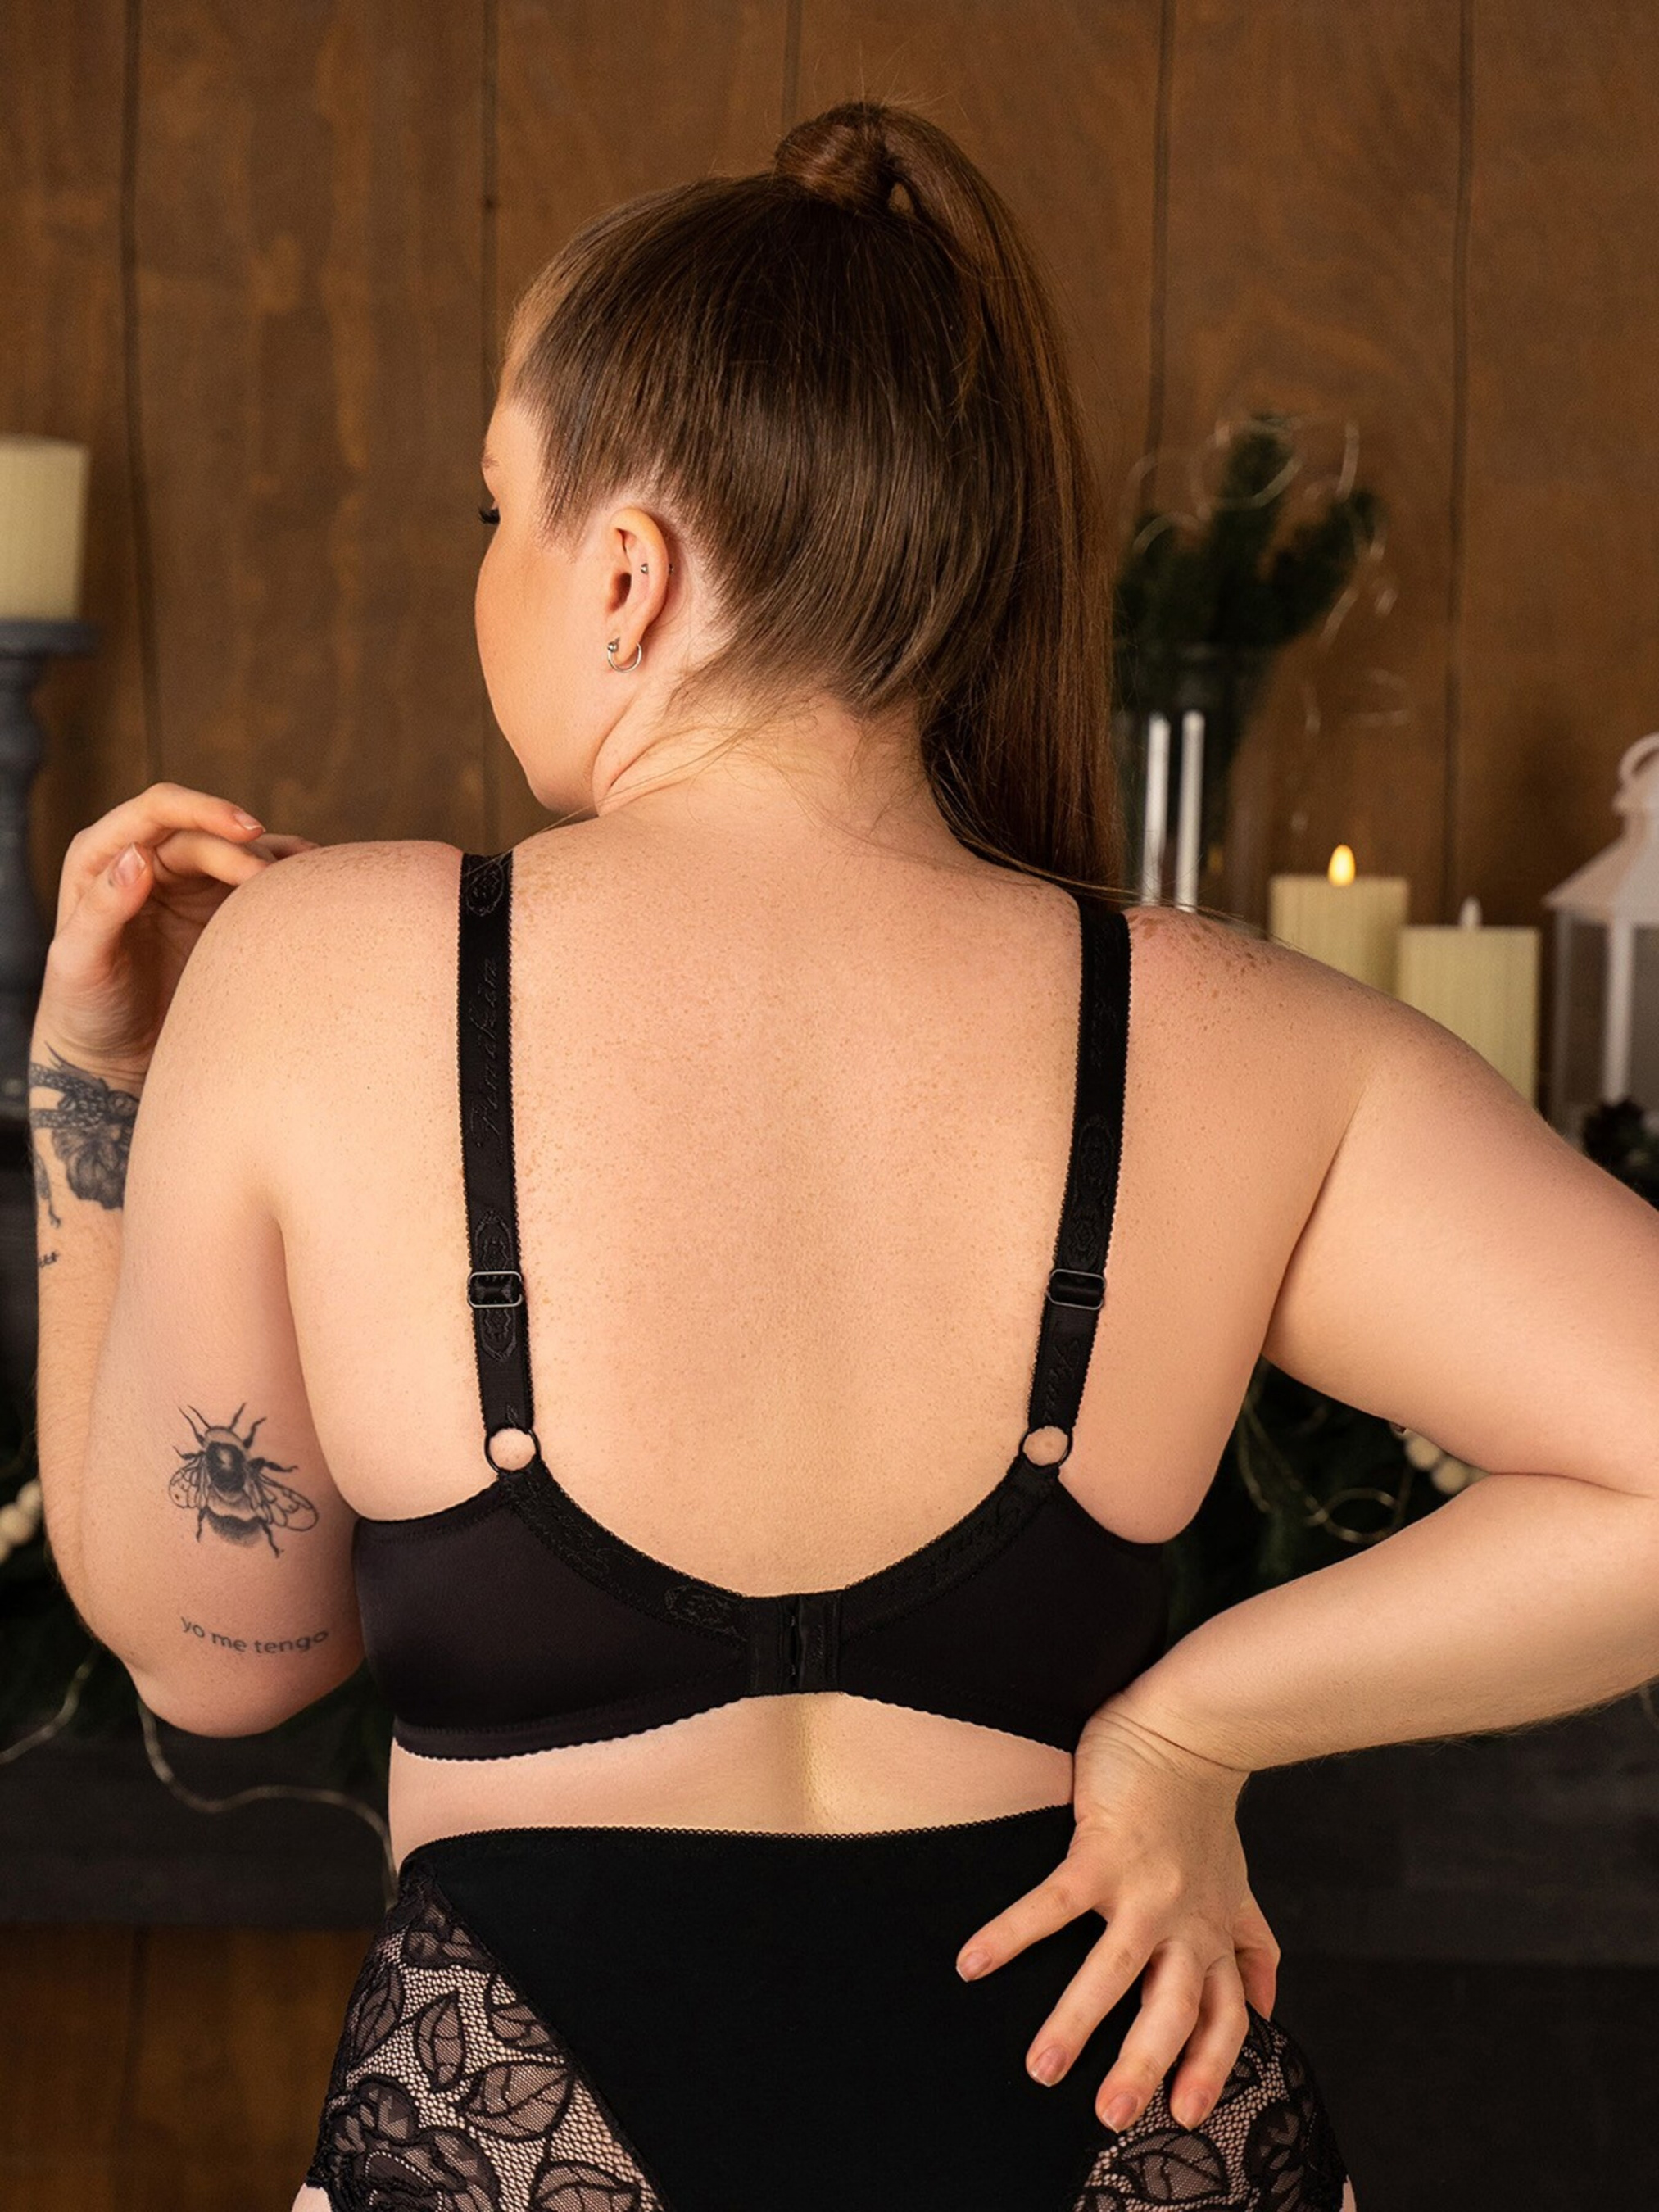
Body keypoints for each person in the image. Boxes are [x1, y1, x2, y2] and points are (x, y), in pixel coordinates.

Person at [32, 99, 1659, 2212]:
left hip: (529, 2127)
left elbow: (218, 1651)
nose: (487, 572)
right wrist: (1194, 1728)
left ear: (627, 574)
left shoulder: (322, 971)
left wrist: (98, 1086)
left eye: (497, 509)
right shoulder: (1233, 1032)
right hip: (1119, 2109)